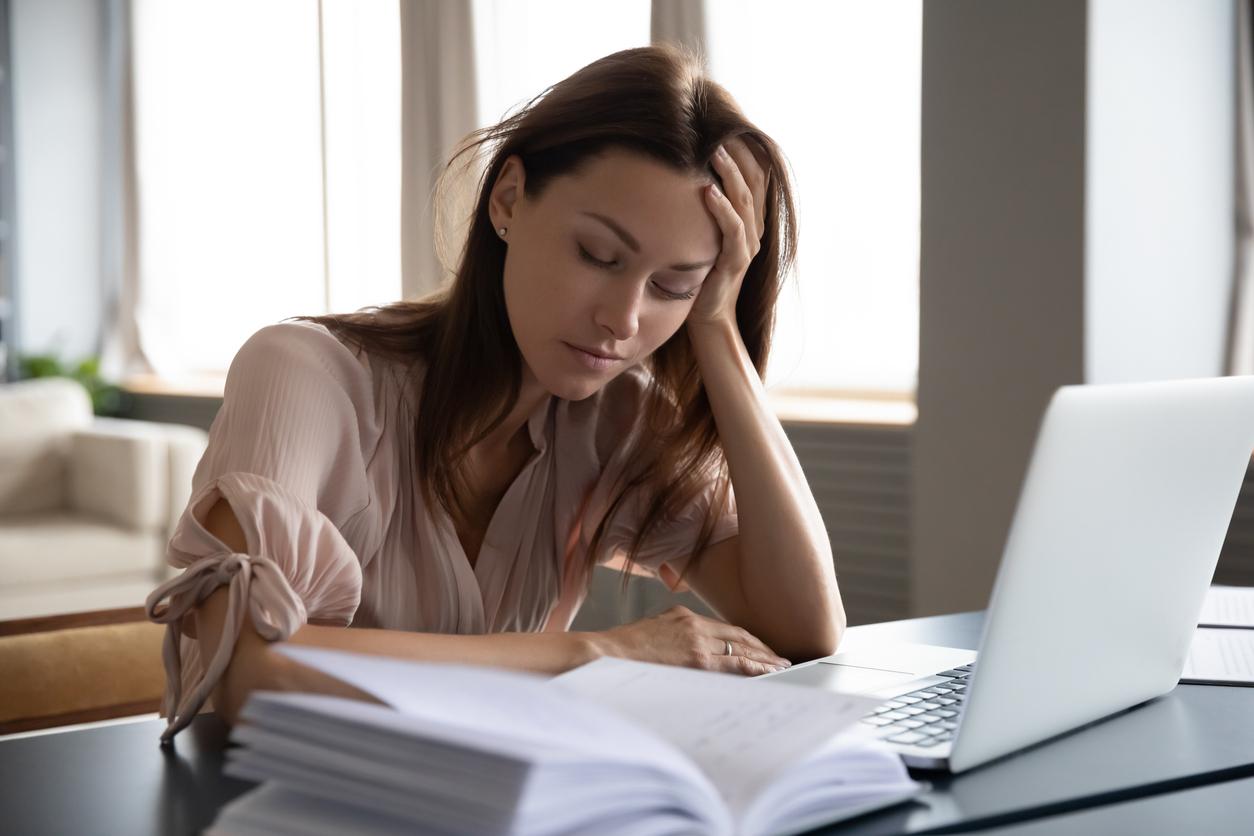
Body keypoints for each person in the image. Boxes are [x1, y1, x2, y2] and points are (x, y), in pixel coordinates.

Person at [146, 44, 845, 744]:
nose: (624, 320)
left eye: (673, 286)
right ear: (508, 199)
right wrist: (593, 653)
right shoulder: (306, 375)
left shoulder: (617, 420)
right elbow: (251, 671)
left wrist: (717, 327)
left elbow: (806, 628)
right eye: (598, 256)